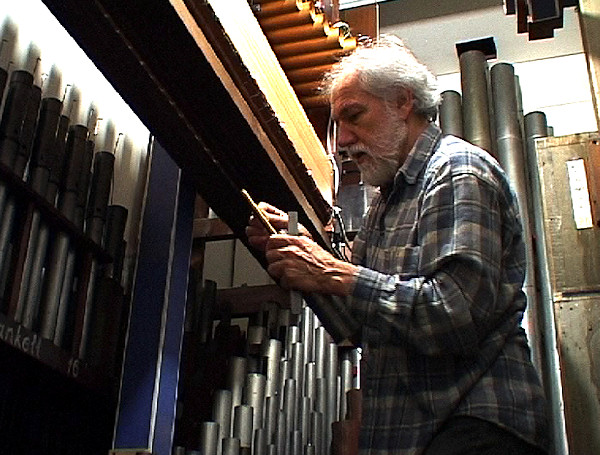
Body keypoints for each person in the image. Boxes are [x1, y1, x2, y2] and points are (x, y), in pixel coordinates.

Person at [246, 35, 549, 455]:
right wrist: (298, 253)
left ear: (403, 102)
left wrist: (334, 272)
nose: (342, 141)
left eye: (354, 116)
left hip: (473, 425)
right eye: (338, 124)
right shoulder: (385, 202)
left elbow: (455, 314)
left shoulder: (457, 171)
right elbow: (357, 323)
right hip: (412, 432)